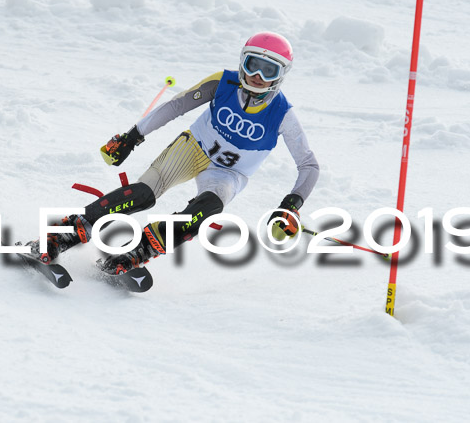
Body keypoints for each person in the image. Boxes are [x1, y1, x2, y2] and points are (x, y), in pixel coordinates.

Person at [30, 32, 319, 274]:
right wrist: (133, 137)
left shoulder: (282, 113)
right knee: (142, 195)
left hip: (229, 173)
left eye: (269, 70)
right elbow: (176, 106)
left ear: (281, 75)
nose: (257, 76)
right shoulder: (224, 82)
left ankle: (136, 252)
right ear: (242, 60)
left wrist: (290, 206)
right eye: (253, 64)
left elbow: (309, 165)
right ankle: (61, 235)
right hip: (192, 147)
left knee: (203, 211)